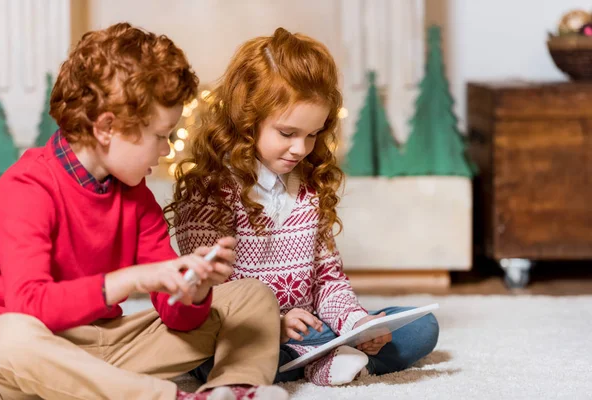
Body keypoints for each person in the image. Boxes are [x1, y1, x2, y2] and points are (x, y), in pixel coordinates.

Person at [0, 22, 287, 400]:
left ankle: (234, 388)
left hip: (111, 347)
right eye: (161, 135)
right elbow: (31, 304)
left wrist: (193, 291)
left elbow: (174, 315)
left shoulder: (136, 196)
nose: (165, 150)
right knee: (4, 336)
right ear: (106, 128)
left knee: (252, 297)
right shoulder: (27, 186)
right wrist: (133, 279)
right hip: (41, 352)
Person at [166, 27, 440, 387]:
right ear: (247, 120)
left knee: (419, 327)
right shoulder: (210, 191)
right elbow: (209, 296)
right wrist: (275, 325)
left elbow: (328, 279)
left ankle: (330, 353)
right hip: (241, 334)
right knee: (223, 355)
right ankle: (323, 361)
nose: (301, 149)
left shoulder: (307, 187)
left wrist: (356, 323)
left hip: (309, 327)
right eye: (287, 133)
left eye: (312, 134)